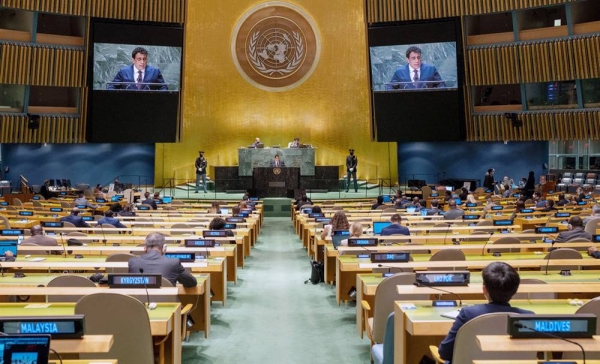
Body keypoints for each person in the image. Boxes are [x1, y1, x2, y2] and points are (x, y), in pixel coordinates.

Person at [438, 262, 533, 362]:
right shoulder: (528, 317)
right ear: (515, 290)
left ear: (484, 289)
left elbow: (444, 352)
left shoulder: (468, 314)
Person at [128, 232, 197, 287]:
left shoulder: (133, 262)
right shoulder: (173, 262)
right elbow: (192, 283)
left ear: (145, 248)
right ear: (164, 248)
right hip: (169, 303)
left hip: (140, 304)